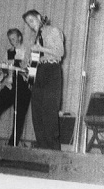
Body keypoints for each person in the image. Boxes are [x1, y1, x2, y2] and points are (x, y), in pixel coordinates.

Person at [22, 9, 64, 150]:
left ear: (39, 17)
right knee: (37, 115)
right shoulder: (35, 38)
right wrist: (27, 71)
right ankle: (42, 151)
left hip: (51, 71)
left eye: (32, 20)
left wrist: (42, 49)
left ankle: (53, 153)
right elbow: (33, 60)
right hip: (38, 74)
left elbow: (60, 52)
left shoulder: (53, 31)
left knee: (49, 113)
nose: (31, 25)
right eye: (28, 23)